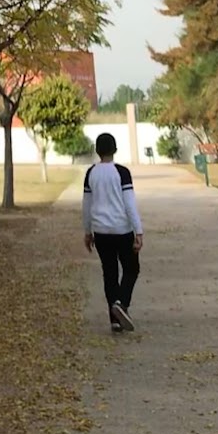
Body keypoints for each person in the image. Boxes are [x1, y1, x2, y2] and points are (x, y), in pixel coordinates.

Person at [83, 132, 143, 332]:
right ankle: (121, 304)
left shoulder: (91, 173)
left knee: (109, 273)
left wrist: (87, 231)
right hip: (121, 229)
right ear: (115, 150)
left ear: (97, 151)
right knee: (131, 269)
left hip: (101, 231)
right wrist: (139, 231)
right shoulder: (122, 172)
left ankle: (115, 319)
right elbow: (129, 204)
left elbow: (87, 205)